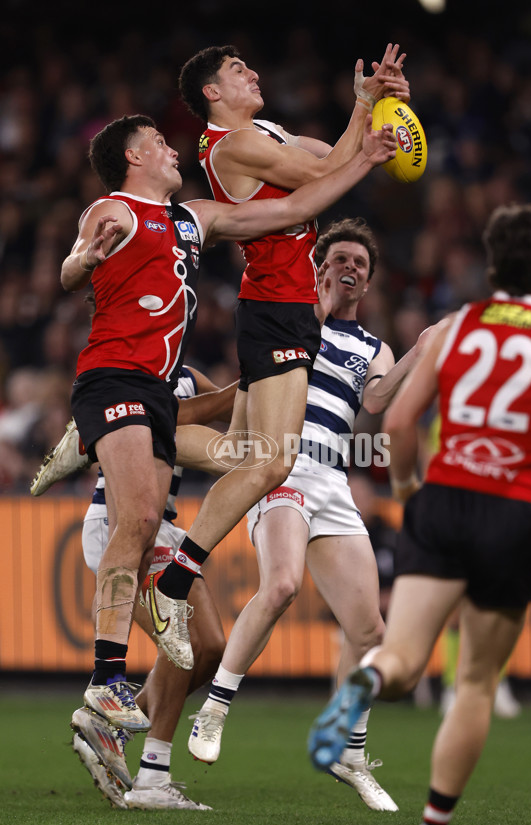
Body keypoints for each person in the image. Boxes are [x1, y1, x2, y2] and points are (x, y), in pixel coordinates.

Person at [60, 110, 397, 732]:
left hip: (160, 391)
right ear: (133, 158)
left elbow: (288, 211)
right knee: (135, 518)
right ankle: (107, 679)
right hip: (116, 374)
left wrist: (364, 161)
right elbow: (72, 265)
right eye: (157, 141)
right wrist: (85, 262)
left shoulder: (194, 217)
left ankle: (126, 722)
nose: (169, 146)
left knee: (250, 457)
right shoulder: (114, 211)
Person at [308, 203, 531, 825]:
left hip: (442, 501)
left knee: (402, 658)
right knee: (473, 682)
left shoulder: (456, 327)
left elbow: (399, 422)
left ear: (491, 265)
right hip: (510, 509)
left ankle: (361, 685)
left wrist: (411, 493)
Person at [145, 44, 410, 652]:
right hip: (276, 309)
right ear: (212, 92)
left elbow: (329, 154)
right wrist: (365, 126)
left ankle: (118, 435)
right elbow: (324, 177)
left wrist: (378, 111)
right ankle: (175, 579)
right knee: (269, 463)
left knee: (246, 452)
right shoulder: (232, 146)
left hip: (280, 309)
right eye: (238, 71)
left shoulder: (263, 132)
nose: (254, 72)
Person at [186, 218, 432, 811]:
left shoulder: (373, 347)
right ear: (319, 267)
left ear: (369, 282)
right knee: (283, 585)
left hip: (331, 480)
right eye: (340, 259)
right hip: (279, 465)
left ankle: (349, 751)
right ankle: (214, 710)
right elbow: (275, 365)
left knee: (369, 629)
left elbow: (374, 399)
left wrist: (420, 353)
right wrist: (313, 307)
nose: (350, 268)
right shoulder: (290, 316)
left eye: (360, 265)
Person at [69, 365, 236, 810]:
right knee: (181, 643)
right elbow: (177, 418)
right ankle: (152, 780)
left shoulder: (185, 374)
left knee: (212, 648)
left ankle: (112, 728)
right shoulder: (126, 376)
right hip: (122, 523)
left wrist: (279, 390)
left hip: (164, 526)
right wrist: (258, 377)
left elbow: (235, 411)